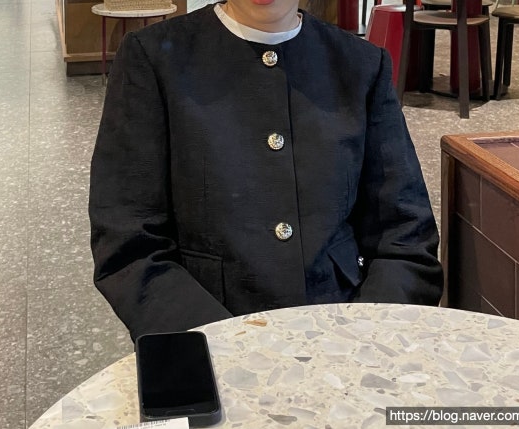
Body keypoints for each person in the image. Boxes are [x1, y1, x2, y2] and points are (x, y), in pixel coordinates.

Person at [89, 0, 443, 341]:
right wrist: (220, 346)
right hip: (206, 337)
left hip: (343, 336)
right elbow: (130, 244)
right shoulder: (153, 59)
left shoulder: (360, 65)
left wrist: (365, 337)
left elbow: (404, 237)